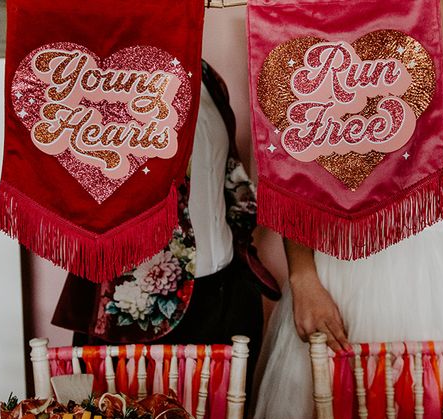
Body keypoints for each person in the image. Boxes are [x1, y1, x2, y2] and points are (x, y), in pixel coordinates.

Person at [248, 0, 443, 419]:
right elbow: (294, 183)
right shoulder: (327, 105)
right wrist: (304, 278)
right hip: (334, 288)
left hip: (440, 298)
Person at [52, 61, 279, 385]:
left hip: (226, 294)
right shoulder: (105, 78)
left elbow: (227, 173)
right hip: (139, 307)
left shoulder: (207, 77)